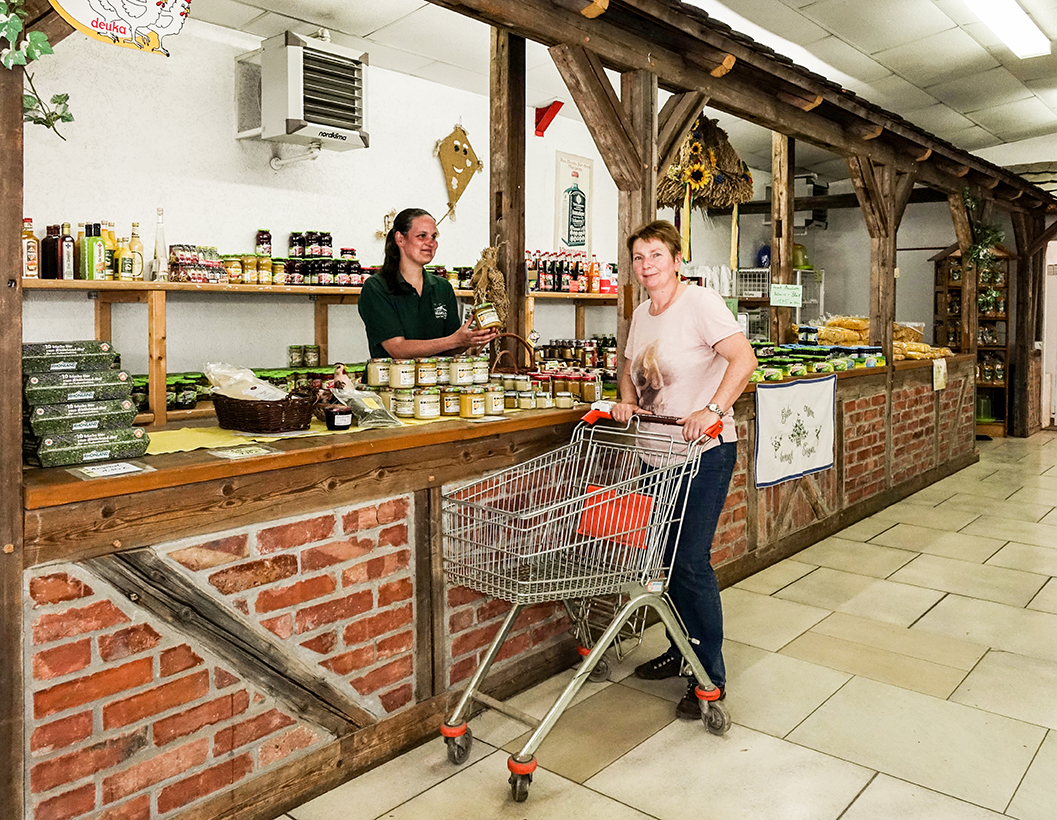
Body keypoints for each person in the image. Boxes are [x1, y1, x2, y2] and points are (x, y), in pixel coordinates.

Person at [611, 219, 757, 719]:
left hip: (703, 455)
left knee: (690, 563)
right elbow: (627, 367)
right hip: (654, 455)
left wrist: (712, 410)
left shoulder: (700, 303)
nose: (646, 265)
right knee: (666, 564)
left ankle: (708, 675)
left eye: (656, 255)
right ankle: (680, 650)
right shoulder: (641, 313)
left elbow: (743, 359)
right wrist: (626, 400)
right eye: (638, 257)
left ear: (677, 260)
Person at [358, 208, 498, 359]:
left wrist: (472, 337)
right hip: (393, 375)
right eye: (421, 236)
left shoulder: (443, 287)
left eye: (434, 236)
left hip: (438, 375)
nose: (430, 243)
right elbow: (398, 349)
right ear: (400, 239)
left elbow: (450, 347)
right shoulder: (376, 287)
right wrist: (455, 340)